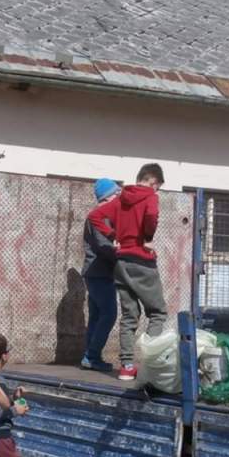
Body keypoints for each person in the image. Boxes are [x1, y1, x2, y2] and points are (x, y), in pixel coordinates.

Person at [87, 163, 167, 381]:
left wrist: (112, 234)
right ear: (153, 181)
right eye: (157, 187)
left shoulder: (121, 198)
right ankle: (150, 364)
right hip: (142, 260)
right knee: (157, 313)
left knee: (129, 316)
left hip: (121, 262)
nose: (156, 190)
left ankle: (127, 366)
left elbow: (94, 216)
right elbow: (151, 216)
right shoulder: (150, 196)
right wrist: (147, 237)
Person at [80, 178, 121, 372]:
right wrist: (122, 254)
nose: (119, 196)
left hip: (96, 273)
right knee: (109, 314)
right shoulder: (101, 216)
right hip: (100, 273)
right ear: (107, 196)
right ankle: (92, 356)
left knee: (96, 316)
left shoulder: (102, 215)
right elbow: (104, 245)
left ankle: (90, 356)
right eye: (116, 193)